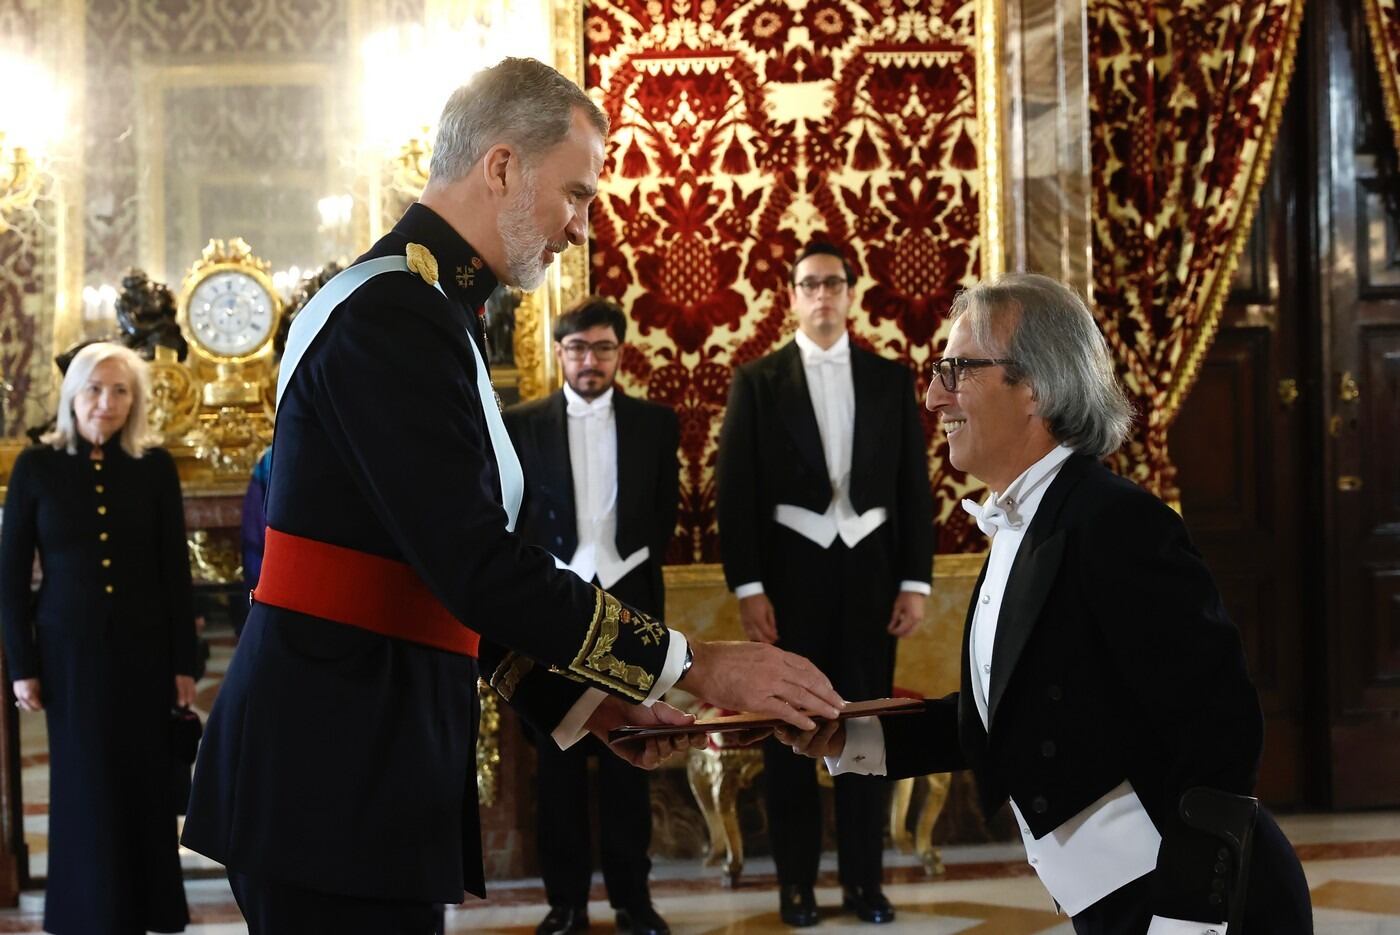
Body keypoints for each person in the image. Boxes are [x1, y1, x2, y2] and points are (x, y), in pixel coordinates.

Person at [181, 57, 843, 934]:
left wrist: (585, 700)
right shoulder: (393, 315)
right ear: (501, 166)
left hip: (357, 763)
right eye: (575, 194)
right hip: (329, 770)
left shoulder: (427, 309)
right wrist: (695, 663)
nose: (579, 227)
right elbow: (474, 566)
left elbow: (433, 574)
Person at [778, 273, 1314, 934]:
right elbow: (1010, 715)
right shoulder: (1027, 521)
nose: (935, 394)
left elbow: (1220, 727)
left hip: (1198, 904)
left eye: (958, 369)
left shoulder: (1118, 523)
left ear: (1035, 386)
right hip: (1119, 902)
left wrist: (1188, 920)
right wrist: (847, 732)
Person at [715, 243, 934, 927]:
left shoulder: (890, 379)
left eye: (833, 283)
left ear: (849, 293)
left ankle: (866, 883)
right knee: (791, 729)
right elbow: (736, 492)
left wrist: (915, 580)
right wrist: (749, 587)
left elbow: (912, 485)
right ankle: (796, 886)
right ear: (791, 296)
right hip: (791, 579)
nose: (822, 295)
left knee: (866, 727)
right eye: (809, 284)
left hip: (872, 578)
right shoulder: (758, 380)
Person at [0, 342, 198, 935]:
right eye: (94, 389)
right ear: (72, 394)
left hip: (145, 653)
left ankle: (147, 910)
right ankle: (88, 914)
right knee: (85, 783)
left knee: (143, 781)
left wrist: (184, 664)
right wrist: (22, 666)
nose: (105, 403)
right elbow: (10, 579)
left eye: (120, 391)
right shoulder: (36, 467)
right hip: (69, 656)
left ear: (134, 401)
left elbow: (174, 571)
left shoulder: (153, 466)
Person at [504, 296, 679, 935]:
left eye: (603, 348)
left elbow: (663, 514)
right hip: (553, 609)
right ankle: (566, 904)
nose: (590, 360)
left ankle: (634, 900)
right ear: (560, 352)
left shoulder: (656, 423)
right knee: (559, 764)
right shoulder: (522, 425)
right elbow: (513, 519)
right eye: (578, 348)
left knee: (631, 755)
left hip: (633, 606)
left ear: (619, 353)